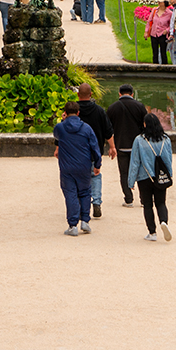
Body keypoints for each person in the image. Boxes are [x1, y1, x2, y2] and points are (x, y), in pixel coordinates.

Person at [53, 99, 102, 236]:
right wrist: (97, 164)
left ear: (65, 113)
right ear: (78, 112)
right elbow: (95, 147)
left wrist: (63, 121)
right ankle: (85, 221)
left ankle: (72, 224)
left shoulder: (60, 127)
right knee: (85, 192)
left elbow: (56, 136)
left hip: (67, 166)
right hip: (84, 165)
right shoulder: (86, 128)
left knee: (70, 193)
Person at [127, 113, 174, 241]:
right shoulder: (166, 139)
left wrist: (131, 181)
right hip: (160, 176)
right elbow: (169, 159)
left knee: (147, 205)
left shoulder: (139, 140)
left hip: (144, 177)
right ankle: (164, 222)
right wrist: (169, 175)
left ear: (145, 124)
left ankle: (152, 232)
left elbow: (135, 162)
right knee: (161, 203)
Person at [76, 83, 114, 218]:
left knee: (78, 178)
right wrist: (112, 146)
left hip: (77, 151)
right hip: (94, 150)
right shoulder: (99, 110)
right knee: (95, 176)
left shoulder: (73, 110)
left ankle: (80, 205)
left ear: (78, 94)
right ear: (91, 94)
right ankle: (96, 202)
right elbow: (108, 131)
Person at [106, 84, 148, 208]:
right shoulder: (140, 106)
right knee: (141, 172)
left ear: (119, 93)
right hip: (138, 145)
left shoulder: (112, 108)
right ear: (132, 94)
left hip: (121, 145)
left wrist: (111, 146)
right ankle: (143, 200)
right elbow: (145, 125)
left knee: (124, 173)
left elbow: (108, 129)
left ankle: (128, 199)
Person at [147, 0, 172, 65]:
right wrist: (146, 31)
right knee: (155, 52)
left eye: (160, 2)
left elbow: (171, 25)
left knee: (163, 53)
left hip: (162, 35)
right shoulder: (155, 10)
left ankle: (164, 68)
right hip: (154, 33)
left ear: (164, 3)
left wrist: (166, 30)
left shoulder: (169, 13)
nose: (159, 3)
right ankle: (155, 67)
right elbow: (149, 20)